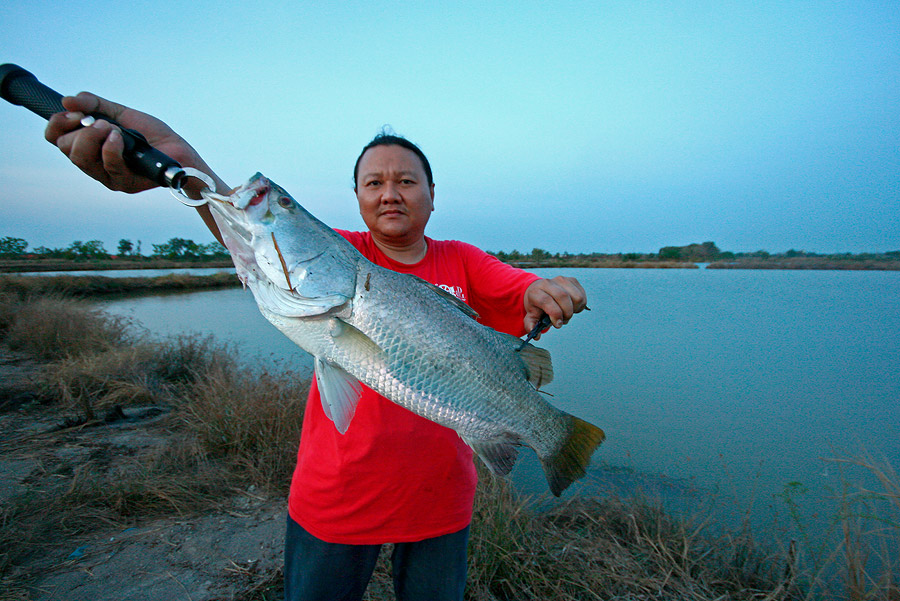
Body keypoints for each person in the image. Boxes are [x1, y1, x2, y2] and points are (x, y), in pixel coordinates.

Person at [45, 92, 588, 601]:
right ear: (356, 197)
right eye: (373, 182)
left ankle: (552, 432)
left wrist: (545, 290)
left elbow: (519, 288)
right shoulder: (342, 254)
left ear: (431, 192)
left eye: (407, 180)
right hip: (336, 499)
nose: (390, 192)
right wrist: (182, 162)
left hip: (442, 502)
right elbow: (253, 231)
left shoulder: (465, 261)